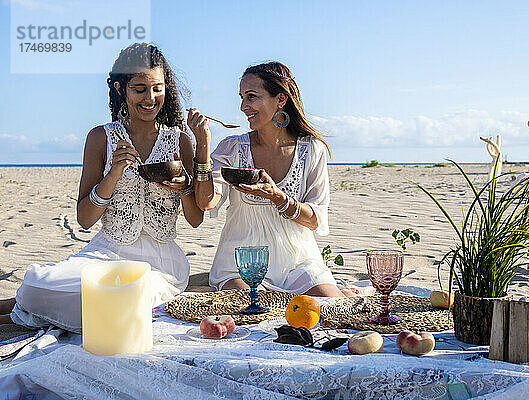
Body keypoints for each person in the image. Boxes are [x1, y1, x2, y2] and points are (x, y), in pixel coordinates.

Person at [0, 43, 204, 332]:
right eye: (140, 89)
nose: (150, 98)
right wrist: (113, 175)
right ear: (121, 89)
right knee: (36, 287)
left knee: (125, 302)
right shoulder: (100, 138)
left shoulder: (181, 141)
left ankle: (18, 312)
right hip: (106, 253)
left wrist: (184, 187)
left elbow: (196, 220)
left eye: (157, 88)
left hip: (159, 265)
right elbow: (84, 220)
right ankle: (24, 306)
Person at [189, 62, 354, 297]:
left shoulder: (311, 149)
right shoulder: (232, 148)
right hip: (241, 263)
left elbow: (315, 220)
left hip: (298, 263)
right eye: (242, 97)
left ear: (281, 99)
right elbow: (206, 202)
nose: (243, 106)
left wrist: (278, 198)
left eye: (252, 97)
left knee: (331, 305)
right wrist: (203, 144)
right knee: (248, 308)